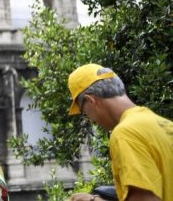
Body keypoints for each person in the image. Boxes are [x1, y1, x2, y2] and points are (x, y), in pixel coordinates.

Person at [67, 64, 172, 201]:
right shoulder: (164, 124)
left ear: (90, 100)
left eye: (84, 112)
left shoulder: (125, 134)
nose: (92, 121)